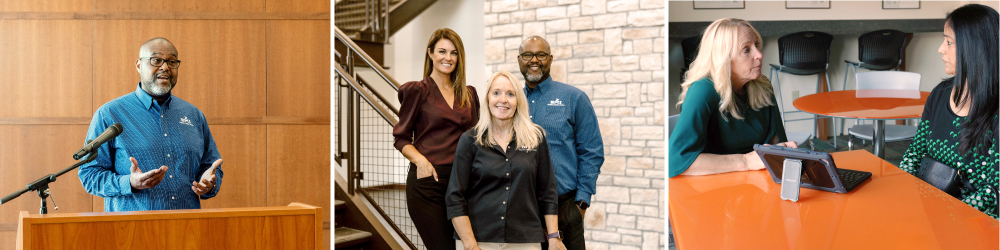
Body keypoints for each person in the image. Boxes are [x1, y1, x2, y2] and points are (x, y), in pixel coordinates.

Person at [78, 37, 223, 211]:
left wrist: (210, 184)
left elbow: (212, 166)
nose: (165, 67)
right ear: (139, 65)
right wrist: (129, 183)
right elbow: (89, 175)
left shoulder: (193, 115)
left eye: (172, 62)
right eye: (156, 60)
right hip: (132, 231)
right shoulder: (110, 114)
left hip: (187, 229)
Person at [897, 4, 999, 219]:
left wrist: (946, 213)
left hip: (976, 222)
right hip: (931, 208)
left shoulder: (995, 110)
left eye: (949, 42)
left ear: (974, 48)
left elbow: (992, 191)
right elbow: (915, 153)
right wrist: (902, 193)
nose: (940, 49)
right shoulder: (940, 93)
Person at [447, 71, 564, 250]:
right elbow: (455, 196)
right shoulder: (470, 140)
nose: (503, 100)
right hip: (478, 240)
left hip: (525, 240)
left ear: (518, 101)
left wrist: (554, 236)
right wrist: (470, 246)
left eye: (510, 94)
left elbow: (547, 191)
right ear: (487, 99)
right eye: (496, 93)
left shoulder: (535, 138)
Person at [668, 18, 798, 178]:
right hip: (712, 185)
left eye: (756, 45)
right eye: (746, 50)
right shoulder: (703, 90)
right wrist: (746, 161)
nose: (759, 54)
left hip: (754, 181)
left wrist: (783, 149)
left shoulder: (762, 86)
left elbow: (774, 141)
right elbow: (675, 161)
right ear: (723, 58)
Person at [393, 28, 480, 249]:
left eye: (454, 53)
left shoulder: (468, 94)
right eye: (442, 51)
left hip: (461, 183)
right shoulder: (417, 91)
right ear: (430, 53)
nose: (448, 58)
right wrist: (421, 161)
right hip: (427, 183)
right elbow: (401, 138)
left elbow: (474, 139)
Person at [518, 36, 603, 250]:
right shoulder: (512, 101)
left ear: (551, 59)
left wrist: (581, 204)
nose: (534, 60)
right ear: (519, 59)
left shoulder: (573, 98)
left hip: (564, 207)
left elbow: (592, 151)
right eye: (528, 55)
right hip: (523, 209)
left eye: (541, 55)